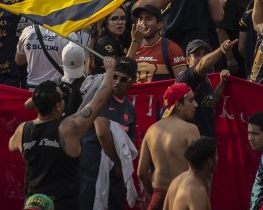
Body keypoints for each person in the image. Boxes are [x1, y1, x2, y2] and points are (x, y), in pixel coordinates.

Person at [8, 56, 116, 209]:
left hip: (34, 204)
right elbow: (99, 101)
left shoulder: (22, 130)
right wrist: (110, 70)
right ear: (58, 106)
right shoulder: (68, 129)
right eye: (62, 97)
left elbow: (11, 145)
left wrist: (41, 96)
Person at [79, 56, 138, 210]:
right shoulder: (102, 98)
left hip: (116, 174)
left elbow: (130, 142)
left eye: (123, 79)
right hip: (93, 167)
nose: (117, 82)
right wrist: (118, 163)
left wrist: (121, 165)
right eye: (115, 77)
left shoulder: (130, 108)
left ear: (133, 81)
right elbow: (102, 133)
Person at [137, 82, 200, 210]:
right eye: (191, 100)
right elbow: (200, 171)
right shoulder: (190, 129)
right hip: (182, 195)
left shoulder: (152, 130)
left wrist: (154, 194)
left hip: (158, 196)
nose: (196, 105)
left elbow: (142, 173)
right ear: (178, 105)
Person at [163, 136, 217, 210]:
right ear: (210, 161)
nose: (218, 158)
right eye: (216, 155)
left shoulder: (177, 181)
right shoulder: (197, 191)